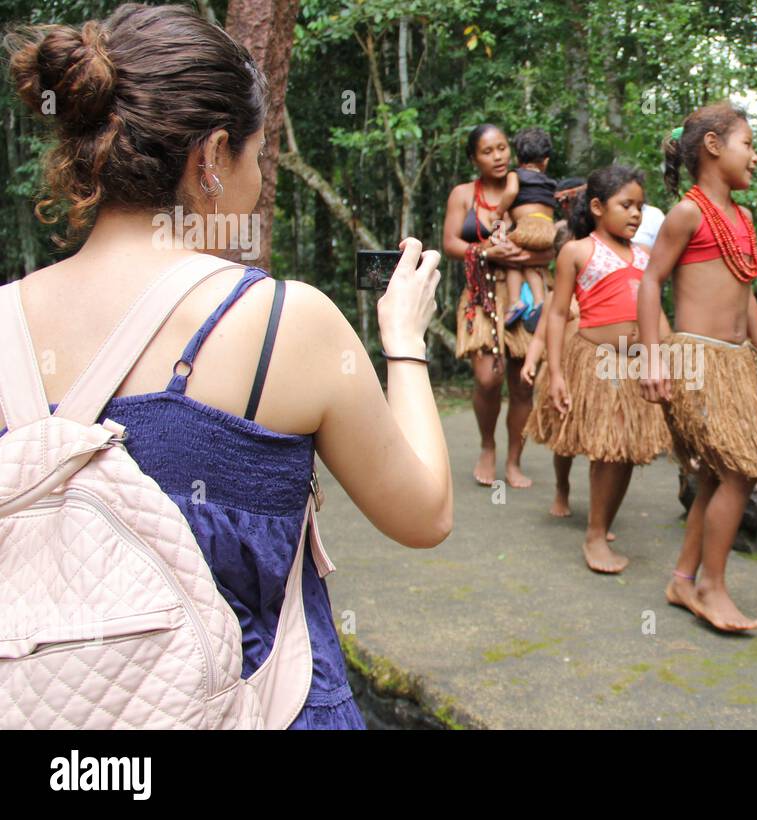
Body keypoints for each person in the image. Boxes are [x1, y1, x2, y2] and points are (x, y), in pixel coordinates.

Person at [1, 3, 452, 728]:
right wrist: (404, 338)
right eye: (257, 155)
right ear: (212, 156)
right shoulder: (283, 323)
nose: (258, 181)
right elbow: (425, 514)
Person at [639, 102, 757, 632]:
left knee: (713, 475)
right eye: (748, 144)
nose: (755, 156)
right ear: (712, 147)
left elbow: (744, 286)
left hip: (735, 363)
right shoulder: (689, 212)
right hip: (696, 360)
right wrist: (653, 357)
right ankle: (712, 585)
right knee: (739, 470)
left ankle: (684, 580)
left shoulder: (742, 218)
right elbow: (649, 281)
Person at [527, 165, 672, 573]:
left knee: (625, 450)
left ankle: (602, 522)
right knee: (607, 450)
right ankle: (594, 535)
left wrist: (667, 357)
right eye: (626, 205)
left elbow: (656, 314)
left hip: (635, 363)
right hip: (598, 361)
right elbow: (556, 315)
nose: (635, 214)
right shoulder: (577, 251)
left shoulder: (646, 257)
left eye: (640, 206)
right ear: (596, 206)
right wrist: (555, 372)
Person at [443, 124, 555, 487]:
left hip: (526, 294)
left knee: (523, 383)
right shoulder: (463, 194)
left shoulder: (528, 186)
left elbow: (551, 238)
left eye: (503, 148)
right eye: (488, 151)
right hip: (483, 290)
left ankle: (514, 461)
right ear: (474, 158)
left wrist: (523, 254)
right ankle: (488, 446)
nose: (498, 156)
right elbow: (449, 243)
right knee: (488, 378)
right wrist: (486, 251)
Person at [491, 127, 557, 329]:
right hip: (548, 232)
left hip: (527, 228)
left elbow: (511, 192)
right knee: (531, 263)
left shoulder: (516, 175)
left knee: (510, 257)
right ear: (545, 161)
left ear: (518, 158)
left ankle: (515, 302)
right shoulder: (550, 182)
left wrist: (498, 212)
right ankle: (538, 301)